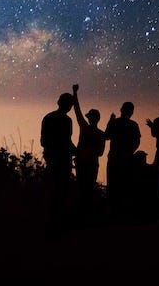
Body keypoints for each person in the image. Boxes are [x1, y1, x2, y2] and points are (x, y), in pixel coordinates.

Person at [40, 89, 77, 239]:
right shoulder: (66, 121)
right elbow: (67, 141)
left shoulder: (48, 117)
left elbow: (44, 141)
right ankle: (57, 224)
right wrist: (76, 151)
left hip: (52, 158)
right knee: (61, 192)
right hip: (61, 160)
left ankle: (51, 223)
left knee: (53, 191)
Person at [72, 84, 106, 221]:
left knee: (82, 188)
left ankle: (82, 214)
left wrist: (75, 93)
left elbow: (77, 111)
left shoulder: (85, 128)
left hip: (84, 163)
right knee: (87, 189)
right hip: (91, 164)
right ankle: (87, 214)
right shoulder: (101, 134)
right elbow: (100, 152)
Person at [104, 101, 141, 221]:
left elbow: (106, 136)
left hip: (115, 157)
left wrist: (110, 121)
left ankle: (113, 212)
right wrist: (130, 152)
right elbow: (137, 141)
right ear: (131, 112)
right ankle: (121, 212)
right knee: (124, 184)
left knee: (114, 184)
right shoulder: (133, 125)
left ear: (121, 110)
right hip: (125, 158)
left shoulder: (115, 123)